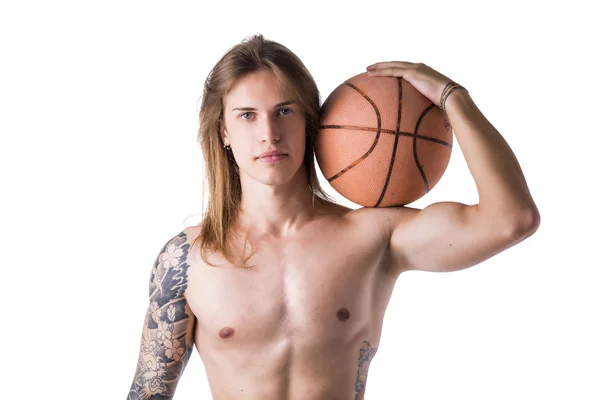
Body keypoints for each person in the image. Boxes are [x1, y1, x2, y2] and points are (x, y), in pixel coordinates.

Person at [126, 34, 540, 400]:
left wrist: (454, 98)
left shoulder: (373, 236)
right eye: (247, 115)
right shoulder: (189, 259)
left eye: (284, 111)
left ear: (310, 121)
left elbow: (512, 219)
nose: (268, 133)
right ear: (223, 133)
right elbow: (148, 393)